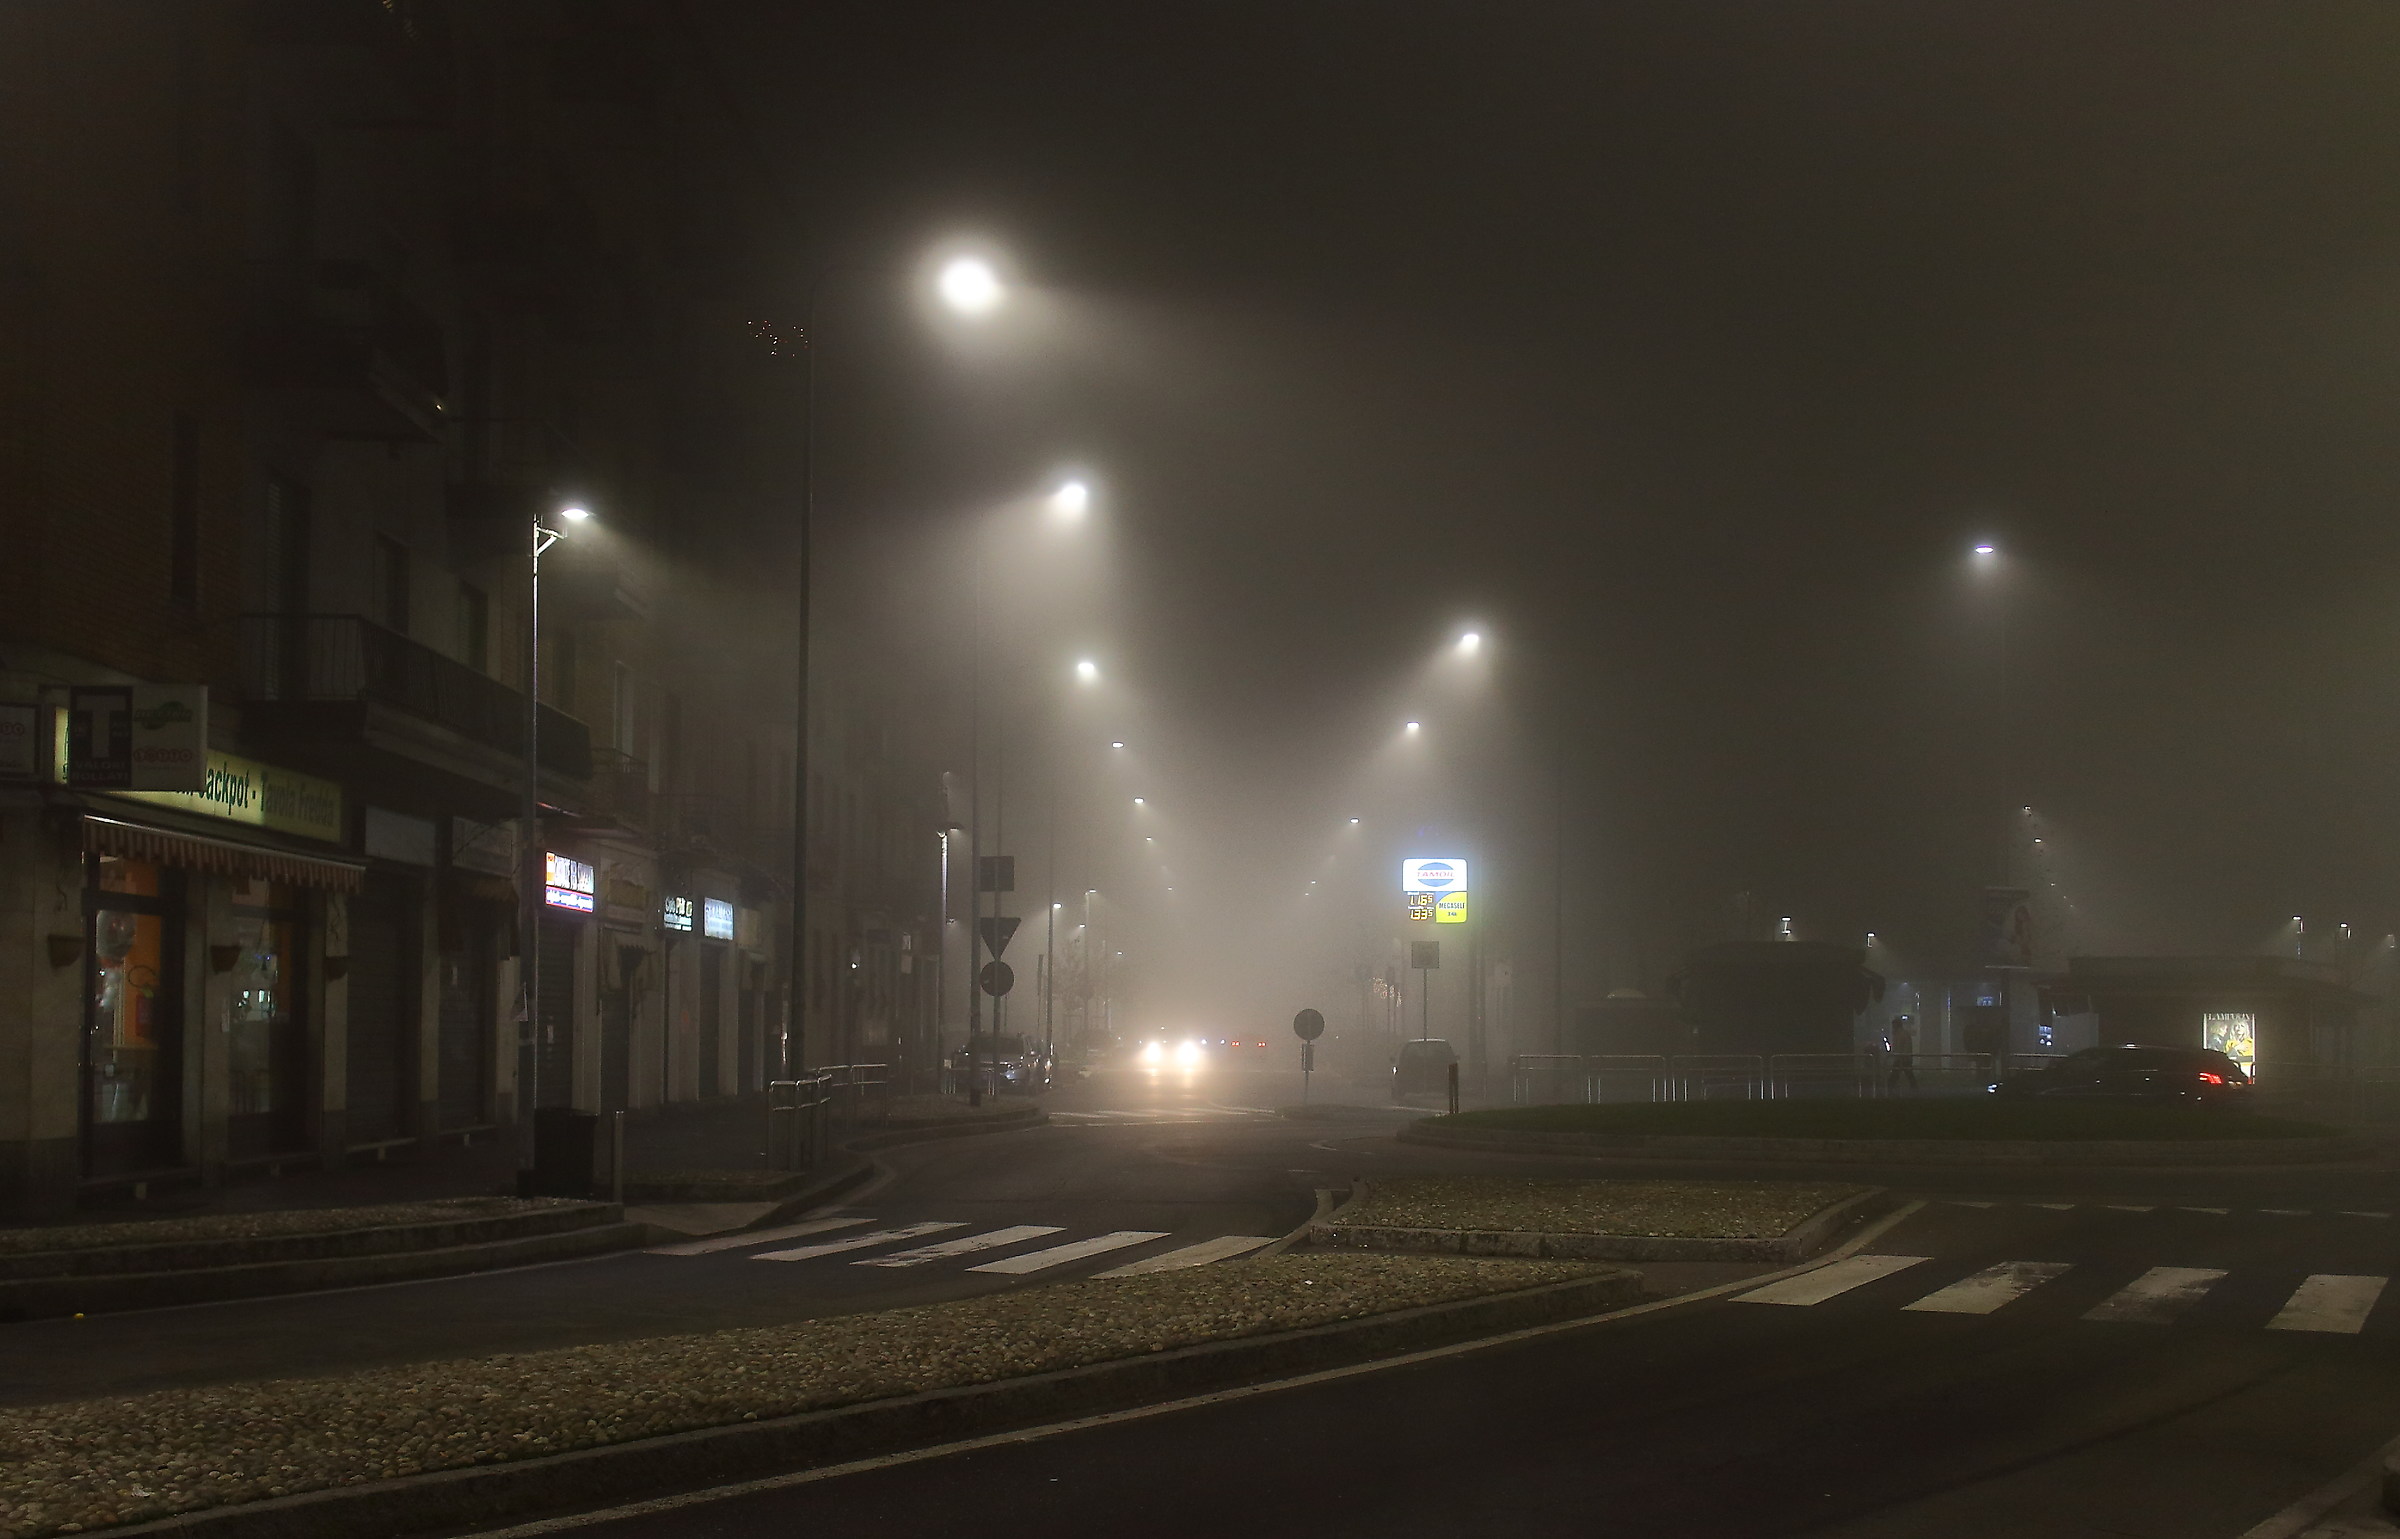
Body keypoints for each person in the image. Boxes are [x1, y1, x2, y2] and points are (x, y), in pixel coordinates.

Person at [1886, 1014, 1919, 1094]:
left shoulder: (1901, 1034)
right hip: (1903, 1058)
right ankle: (1915, 1089)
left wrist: (1899, 1055)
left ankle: (1890, 1089)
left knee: (1896, 1075)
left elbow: (1904, 1047)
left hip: (1902, 1058)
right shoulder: (1902, 1034)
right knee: (1908, 1075)